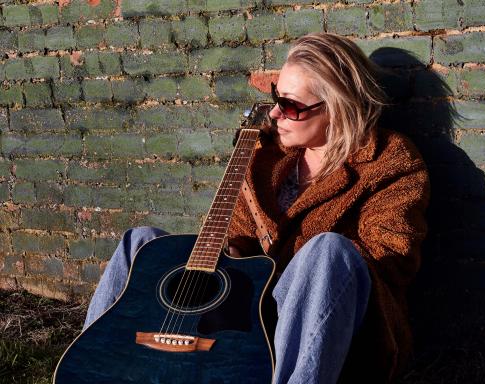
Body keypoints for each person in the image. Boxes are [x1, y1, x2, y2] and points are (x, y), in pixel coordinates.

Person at [84, 33, 430, 383]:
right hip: (247, 307)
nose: (276, 113)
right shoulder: (265, 155)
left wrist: (297, 265)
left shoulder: (389, 160)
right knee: (140, 241)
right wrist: (231, 254)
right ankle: (96, 366)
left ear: (336, 107)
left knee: (328, 250)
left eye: (292, 105)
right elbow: (239, 235)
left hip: (321, 319)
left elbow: (394, 256)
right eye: (275, 97)